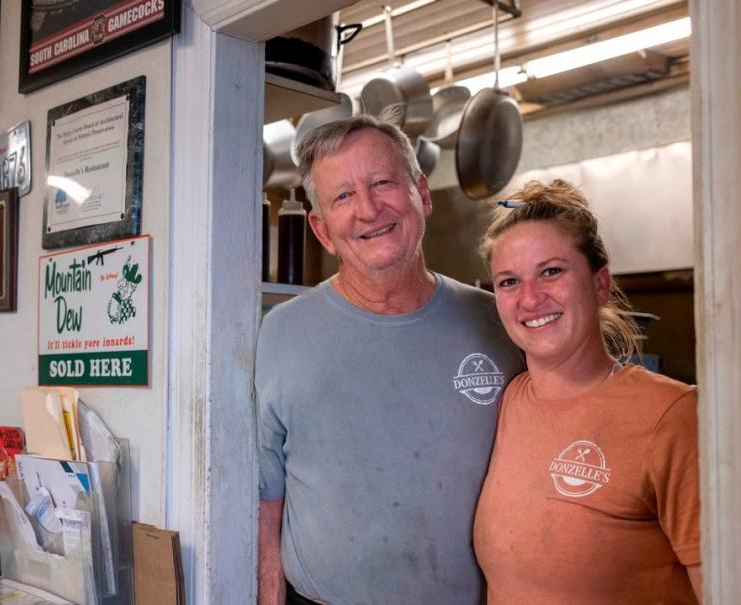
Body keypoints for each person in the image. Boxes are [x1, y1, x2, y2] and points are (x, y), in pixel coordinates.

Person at [256, 113, 524, 605]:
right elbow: (266, 499)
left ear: (422, 194)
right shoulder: (281, 333)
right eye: (343, 196)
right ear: (321, 229)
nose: (369, 208)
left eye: (383, 182)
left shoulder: (497, 324)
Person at [473, 180, 702, 604]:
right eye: (508, 282)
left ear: (600, 285)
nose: (530, 298)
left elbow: (730, 587)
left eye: (551, 272)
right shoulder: (505, 402)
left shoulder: (670, 415)